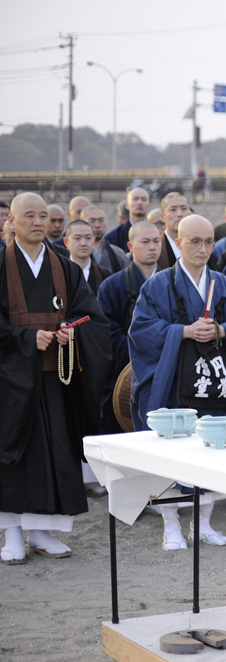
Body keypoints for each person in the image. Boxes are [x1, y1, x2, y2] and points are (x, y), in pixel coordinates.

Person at [129, 214, 226, 550]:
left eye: (208, 242)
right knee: (173, 456)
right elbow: (141, 330)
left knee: (214, 454)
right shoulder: (157, 286)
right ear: (178, 241)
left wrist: (222, 329)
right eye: (194, 242)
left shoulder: (225, 284)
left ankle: (203, 524)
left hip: (215, 384)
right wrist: (182, 332)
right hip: (175, 387)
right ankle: (171, 525)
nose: (203, 249)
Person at [1, 193, 111, 564]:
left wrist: (70, 332)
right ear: (11, 221)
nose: (37, 222)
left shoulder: (62, 266)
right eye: (28, 215)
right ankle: (13, 534)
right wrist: (25, 337)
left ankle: (42, 531)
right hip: (11, 379)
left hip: (55, 378)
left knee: (53, 453)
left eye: (43, 216)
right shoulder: (1, 264)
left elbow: (91, 317)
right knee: (16, 456)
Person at [97, 221, 161, 434]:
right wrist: (144, 349)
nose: (152, 247)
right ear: (130, 246)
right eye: (145, 242)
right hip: (124, 376)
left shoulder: (173, 282)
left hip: (167, 372)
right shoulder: (112, 286)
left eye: (156, 241)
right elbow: (106, 333)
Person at [63, 220, 105, 294]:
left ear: (94, 240)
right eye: (77, 238)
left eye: (88, 238)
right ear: (66, 242)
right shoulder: (58, 274)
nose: (83, 243)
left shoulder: (105, 276)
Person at [83, 206, 127, 275]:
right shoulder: (74, 252)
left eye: (101, 220)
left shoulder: (118, 253)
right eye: (92, 221)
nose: (97, 225)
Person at [158, 191, 191, 268]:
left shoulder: (199, 246)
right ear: (162, 216)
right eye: (173, 209)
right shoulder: (156, 248)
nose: (179, 214)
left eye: (184, 208)